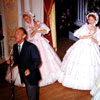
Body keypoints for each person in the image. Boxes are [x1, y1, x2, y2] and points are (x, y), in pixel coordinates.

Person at [5, 12, 61, 87]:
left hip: (41, 42)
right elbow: (31, 36)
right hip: (33, 43)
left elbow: (47, 30)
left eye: (27, 18)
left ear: (31, 17)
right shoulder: (28, 27)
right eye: (25, 20)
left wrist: (37, 30)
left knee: (45, 58)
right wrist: (36, 29)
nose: (26, 21)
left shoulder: (39, 23)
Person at [58, 12, 100, 90]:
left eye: (92, 20)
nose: (90, 21)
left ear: (95, 20)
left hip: (92, 47)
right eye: (89, 20)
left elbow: (98, 41)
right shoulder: (85, 27)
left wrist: (91, 38)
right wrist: (89, 35)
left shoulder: (97, 29)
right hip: (82, 45)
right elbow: (80, 37)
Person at [10, 27, 41, 100]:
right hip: (23, 74)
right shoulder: (15, 46)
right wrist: (12, 62)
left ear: (24, 36)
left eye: (18, 33)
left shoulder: (31, 47)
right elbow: (17, 59)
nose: (15, 35)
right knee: (29, 94)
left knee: (33, 97)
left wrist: (29, 70)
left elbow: (37, 61)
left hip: (32, 75)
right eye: (15, 33)